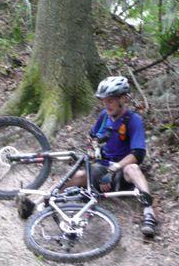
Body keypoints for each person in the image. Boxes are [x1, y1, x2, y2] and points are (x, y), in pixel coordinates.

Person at [64, 76, 158, 237]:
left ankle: (149, 213)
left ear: (123, 99)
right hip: (101, 167)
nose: (106, 105)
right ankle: (40, 201)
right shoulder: (104, 116)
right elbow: (92, 136)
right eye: (104, 101)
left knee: (133, 168)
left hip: (121, 171)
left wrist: (114, 169)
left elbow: (138, 154)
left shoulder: (133, 120)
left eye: (110, 101)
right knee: (78, 175)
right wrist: (92, 148)